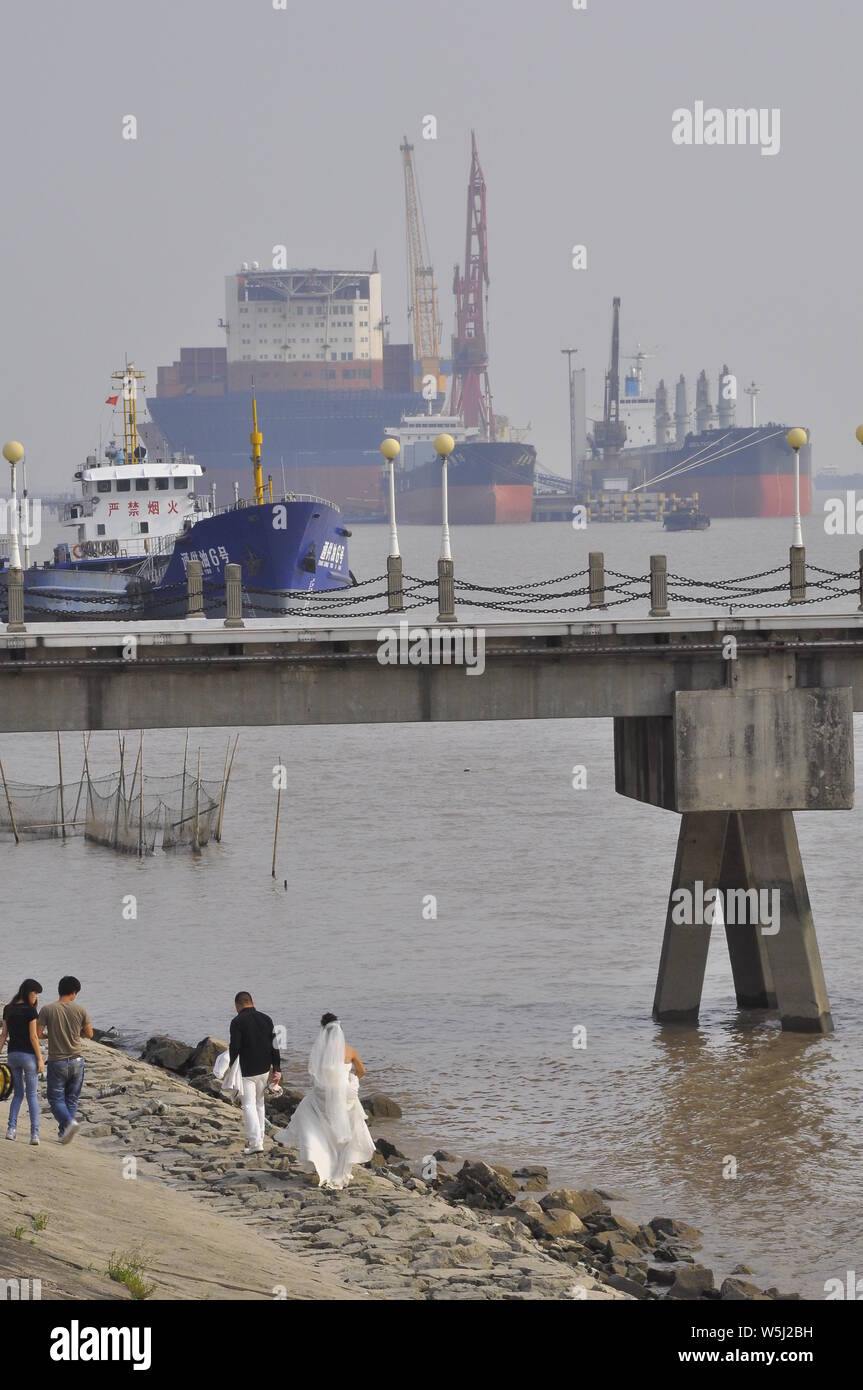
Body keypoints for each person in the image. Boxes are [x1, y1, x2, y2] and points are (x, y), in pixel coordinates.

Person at [275, 1013, 375, 1190]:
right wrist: (351, 1080)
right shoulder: (349, 1050)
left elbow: (314, 1076)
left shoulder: (319, 1052)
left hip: (323, 1095)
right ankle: (340, 1166)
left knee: (311, 1114)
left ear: (323, 1031)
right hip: (345, 1095)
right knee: (345, 1129)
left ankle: (321, 1160)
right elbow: (362, 1071)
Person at [38, 976, 94, 1145]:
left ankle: (68, 1125)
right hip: (77, 1059)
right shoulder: (81, 1010)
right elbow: (90, 1034)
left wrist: (50, 1036)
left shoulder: (47, 1009)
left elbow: (38, 1034)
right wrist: (78, 1034)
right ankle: (64, 1133)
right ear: (73, 992)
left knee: (55, 1099)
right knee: (72, 1098)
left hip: (58, 1061)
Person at [228, 992, 282, 1156]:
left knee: (248, 1105)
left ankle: (255, 1143)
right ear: (251, 1002)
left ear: (238, 1005)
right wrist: (277, 1068)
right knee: (260, 1104)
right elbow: (275, 1045)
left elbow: (235, 1047)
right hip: (265, 1068)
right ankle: (260, 1139)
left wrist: (232, 1067)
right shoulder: (267, 1019)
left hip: (247, 1069)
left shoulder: (237, 1021)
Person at [1, 979, 45, 1145]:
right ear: (28, 992)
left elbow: (3, 1035)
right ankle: (34, 1134)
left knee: (18, 1095)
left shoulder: (8, 1009)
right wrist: (40, 1059)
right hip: (28, 1057)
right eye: (35, 994)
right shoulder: (31, 1011)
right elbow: (33, 1037)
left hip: (13, 1056)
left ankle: (11, 1130)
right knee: (32, 1096)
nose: (36, 998)